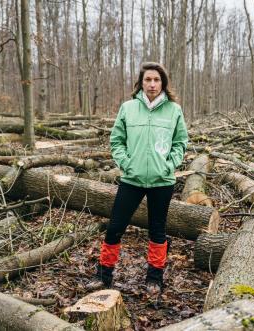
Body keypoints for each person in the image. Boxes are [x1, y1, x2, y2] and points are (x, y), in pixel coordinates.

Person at [87, 62, 189, 295]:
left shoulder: (174, 110)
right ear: (141, 83)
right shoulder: (128, 108)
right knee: (115, 227)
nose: (152, 84)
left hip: (162, 182)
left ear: (162, 83)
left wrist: (169, 164)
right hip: (131, 180)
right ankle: (104, 274)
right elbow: (116, 141)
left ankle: (154, 278)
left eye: (156, 80)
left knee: (157, 231)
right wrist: (126, 163)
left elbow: (180, 142)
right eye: (148, 80)